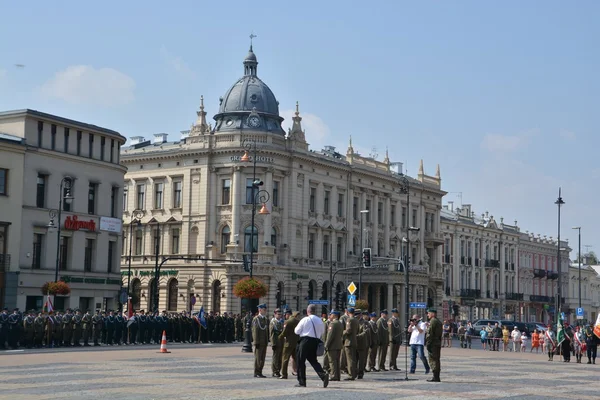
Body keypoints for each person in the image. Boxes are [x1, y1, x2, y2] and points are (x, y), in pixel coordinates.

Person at [294, 304, 329, 388]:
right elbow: (322, 332)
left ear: (307, 311)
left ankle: (302, 381)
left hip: (305, 341)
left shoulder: (305, 319)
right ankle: (323, 375)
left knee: (300, 361)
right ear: (315, 311)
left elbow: (297, 331)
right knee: (313, 360)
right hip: (315, 341)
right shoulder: (320, 320)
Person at [279, 310, 300, 379]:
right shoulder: (298, 322)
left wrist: (279, 337)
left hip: (288, 343)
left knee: (285, 359)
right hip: (296, 343)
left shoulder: (288, 322)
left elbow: (284, 332)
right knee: (296, 359)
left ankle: (284, 374)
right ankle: (299, 372)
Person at [324, 310, 343, 381]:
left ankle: (333, 375)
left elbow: (329, 336)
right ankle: (338, 376)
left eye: (331, 314)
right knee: (337, 361)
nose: (330, 316)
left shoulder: (332, 324)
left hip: (332, 346)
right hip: (338, 345)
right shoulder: (340, 323)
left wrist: (326, 345)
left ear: (334, 315)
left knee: (332, 361)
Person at [252, 304, 269, 378]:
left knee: (262, 358)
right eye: (263, 309)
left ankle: (260, 371)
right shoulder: (256, 319)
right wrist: (256, 342)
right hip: (259, 342)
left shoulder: (265, 319)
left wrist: (267, 341)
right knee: (258, 358)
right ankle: (256, 372)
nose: (265, 311)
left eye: (265, 309)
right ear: (259, 310)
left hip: (264, 342)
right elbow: (255, 331)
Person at [425, 307, 442, 382]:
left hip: (433, 343)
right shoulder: (438, 321)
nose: (427, 315)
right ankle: (436, 376)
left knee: (433, 359)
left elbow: (430, 333)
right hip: (437, 342)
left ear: (432, 314)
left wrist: (428, 343)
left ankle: (435, 377)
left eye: (428, 313)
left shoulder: (433, 321)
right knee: (436, 359)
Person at [342, 307, 358, 381]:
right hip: (354, 341)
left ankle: (351, 374)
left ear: (348, 313)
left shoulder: (349, 319)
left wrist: (342, 332)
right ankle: (354, 373)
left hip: (349, 342)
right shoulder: (356, 320)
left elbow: (348, 330)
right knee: (353, 358)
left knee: (349, 359)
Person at [269, 308, 284, 377]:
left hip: (281, 342)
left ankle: (278, 370)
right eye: (278, 314)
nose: (279, 315)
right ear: (275, 314)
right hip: (276, 342)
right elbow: (271, 334)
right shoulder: (273, 322)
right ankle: (274, 371)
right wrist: (273, 343)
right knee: (275, 357)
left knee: (280, 357)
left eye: (280, 314)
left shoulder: (281, 322)